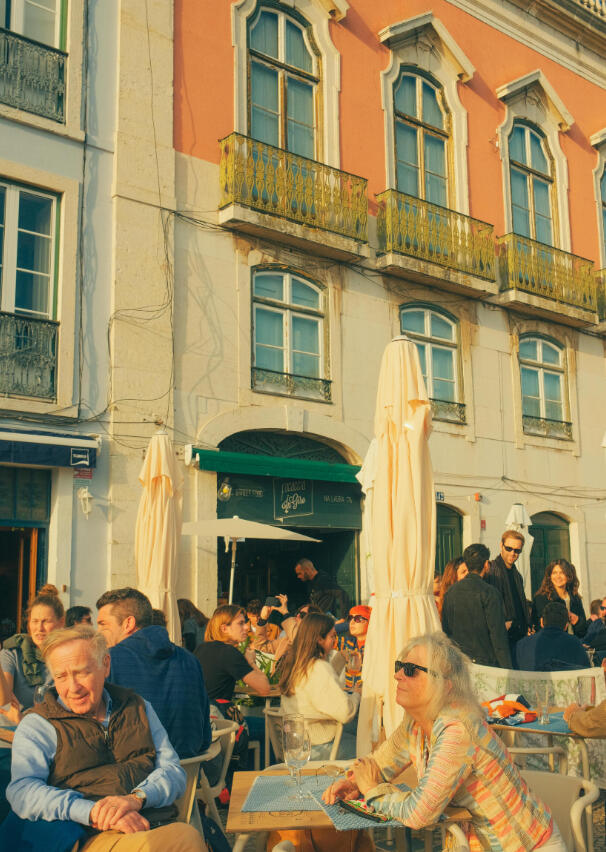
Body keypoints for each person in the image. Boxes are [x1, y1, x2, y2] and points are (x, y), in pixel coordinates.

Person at [323, 632, 565, 852]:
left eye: (410, 670)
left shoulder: (457, 730)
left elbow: (419, 813)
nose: (397, 675)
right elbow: (380, 763)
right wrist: (354, 782)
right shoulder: (416, 722)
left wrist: (372, 790)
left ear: (445, 685)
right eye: (400, 666)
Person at [1, 625, 204, 852]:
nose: (73, 687)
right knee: (185, 839)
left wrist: (136, 798)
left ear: (105, 665)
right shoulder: (39, 725)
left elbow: (173, 771)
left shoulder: (137, 706)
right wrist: (93, 811)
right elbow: (23, 790)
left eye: (82, 672)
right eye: (61, 676)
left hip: (153, 822)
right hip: (91, 834)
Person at [96, 587, 212, 759]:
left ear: (128, 623)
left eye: (103, 624)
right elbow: (204, 739)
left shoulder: (109, 661)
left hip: (134, 778)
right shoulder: (190, 660)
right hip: (188, 775)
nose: (98, 632)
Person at [279, 612, 359, 759]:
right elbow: (346, 712)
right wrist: (357, 694)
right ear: (319, 639)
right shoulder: (318, 667)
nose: (334, 641)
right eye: (332, 636)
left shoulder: (295, 664)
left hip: (295, 744)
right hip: (318, 748)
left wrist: (340, 659)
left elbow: (318, 686)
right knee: (370, 749)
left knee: (356, 731)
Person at [441, 543, 512, 668]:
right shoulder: (490, 593)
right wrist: (507, 669)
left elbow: (446, 632)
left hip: (459, 663)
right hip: (485, 664)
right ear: (486, 564)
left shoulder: (450, 593)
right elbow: (498, 636)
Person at [0, 584, 64, 720]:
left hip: (56, 730)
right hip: (13, 731)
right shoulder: (12, 653)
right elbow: (3, 702)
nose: (39, 628)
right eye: (34, 621)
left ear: (61, 622)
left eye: (45, 621)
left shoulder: (69, 655)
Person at [485, 530, 531, 656]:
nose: (513, 553)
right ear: (501, 545)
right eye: (509, 548)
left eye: (517, 550)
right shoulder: (492, 570)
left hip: (519, 636)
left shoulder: (517, 575)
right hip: (503, 637)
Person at [515, 601, 590, 671]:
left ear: (541, 622)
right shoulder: (575, 644)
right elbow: (585, 673)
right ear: (566, 626)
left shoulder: (521, 645)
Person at [532, 560, 587, 638]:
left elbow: (584, 629)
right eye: (554, 573)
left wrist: (577, 621)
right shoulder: (541, 598)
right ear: (550, 576)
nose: (558, 576)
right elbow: (539, 627)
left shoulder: (575, 598)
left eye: (562, 573)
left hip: (574, 642)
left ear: (569, 576)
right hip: (553, 644)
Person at [336, 604, 371, 690]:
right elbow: (323, 634)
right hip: (351, 694)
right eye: (350, 618)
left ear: (370, 622)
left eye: (358, 619)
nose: (352, 622)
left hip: (368, 697)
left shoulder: (375, 647)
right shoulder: (348, 643)